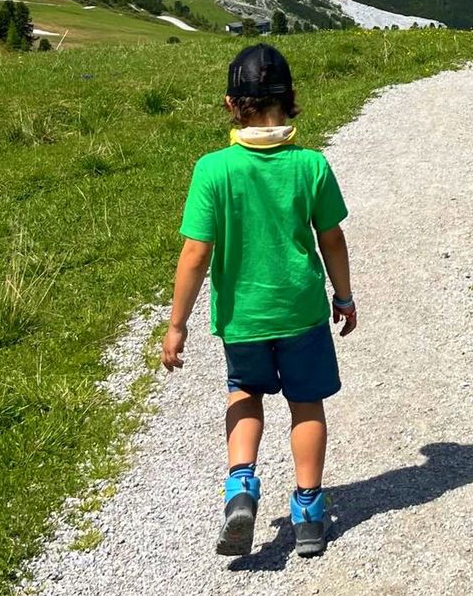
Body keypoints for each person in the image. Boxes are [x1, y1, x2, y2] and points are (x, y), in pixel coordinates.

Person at [161, 42, 357, 559]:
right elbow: (331, 239)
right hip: (302, 314)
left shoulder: (213, 170)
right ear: (292, 99)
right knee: (305, 404)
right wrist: (344, 294)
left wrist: (177, 324)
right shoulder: (311, 166)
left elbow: (196, 253)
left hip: (242, 317)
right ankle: (310, 512)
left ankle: (241, 488)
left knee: (245, 394)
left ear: (231, 104)